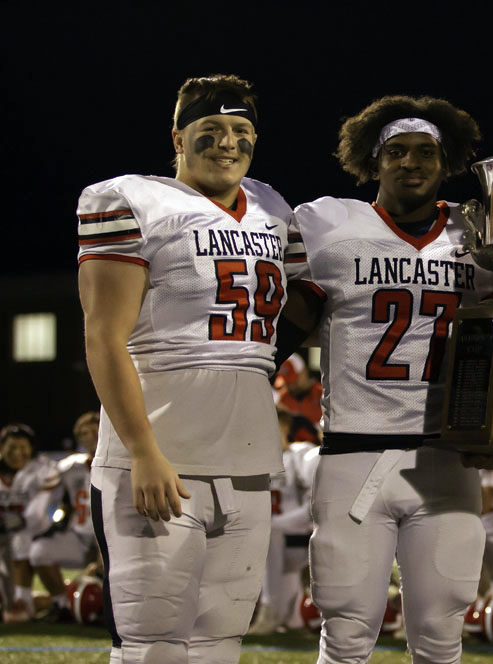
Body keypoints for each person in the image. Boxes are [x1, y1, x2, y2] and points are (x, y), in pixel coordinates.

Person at [77, 74, 309, 662]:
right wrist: (141, 451)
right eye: (211, 130)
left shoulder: (272, 206)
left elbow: (307, 310)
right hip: (163, 449)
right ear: (178, 137)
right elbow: (105, 338)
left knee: (219, 641)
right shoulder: (130, 199)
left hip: (250, 455)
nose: (228, 143)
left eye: (241, 130)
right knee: (153, 642)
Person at [290, 95, 492, 664]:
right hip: (354, 453)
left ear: (446, 160)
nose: (412, 162)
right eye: (396, 151)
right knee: (348, 630)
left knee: (441, 633)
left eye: (426, 152)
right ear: (371, 162)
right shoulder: (328, 225)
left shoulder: (479, 230)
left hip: (447, 457)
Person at [249, 407, 319, 635]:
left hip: (300, 537)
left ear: (286, 428)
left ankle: (270, 609)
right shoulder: (250, 461)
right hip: (267, 540)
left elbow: (313, 508)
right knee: (293, 622)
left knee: (270, 532)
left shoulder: (300, 456)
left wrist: (275, 524)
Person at [28, 411, 102, 622]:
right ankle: (61, 605)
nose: (92, 435)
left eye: (95, 429)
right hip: (79, 537)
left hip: (112, 537)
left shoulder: (124, 463)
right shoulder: (70, 467)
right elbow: (42, 486)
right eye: (85, 433)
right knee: (39, 551)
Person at [0, 423, 59, 622]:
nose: (18, 453)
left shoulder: (41, 469)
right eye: (12, 447)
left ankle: (22, 602)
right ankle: (42, 601)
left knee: (20, 541)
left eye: (23, 447)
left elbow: (34, 516)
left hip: (33, 535)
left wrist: (8, 523)